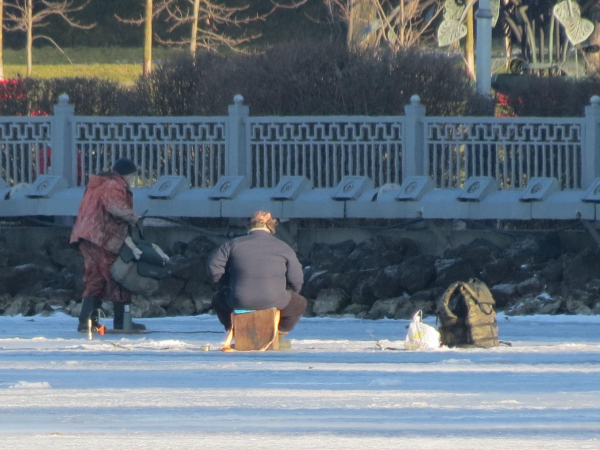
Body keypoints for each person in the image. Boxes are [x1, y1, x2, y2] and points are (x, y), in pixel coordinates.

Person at [207, 211, 307, 344]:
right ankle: (277, 335)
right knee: (299, 303)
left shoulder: (232, 244)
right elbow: (296, 278)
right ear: (271, 228)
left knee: (218, 299)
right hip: (275, 300)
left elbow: (214, 268)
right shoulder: (284, 247)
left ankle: (236, 331)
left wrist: (224, 284)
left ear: (249, 226)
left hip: (239, 300)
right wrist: (293, 290)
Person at [70, 157, 145, 332]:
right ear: (126, 174)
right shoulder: (114, 185)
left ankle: (86, 321)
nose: (132, 180)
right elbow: (115, 207)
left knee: (95, 278)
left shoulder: (98, 184)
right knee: (118, 277)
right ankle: (121, 321)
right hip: (102, 238)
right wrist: (134, 218)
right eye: (132, 176)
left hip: (88, 237)